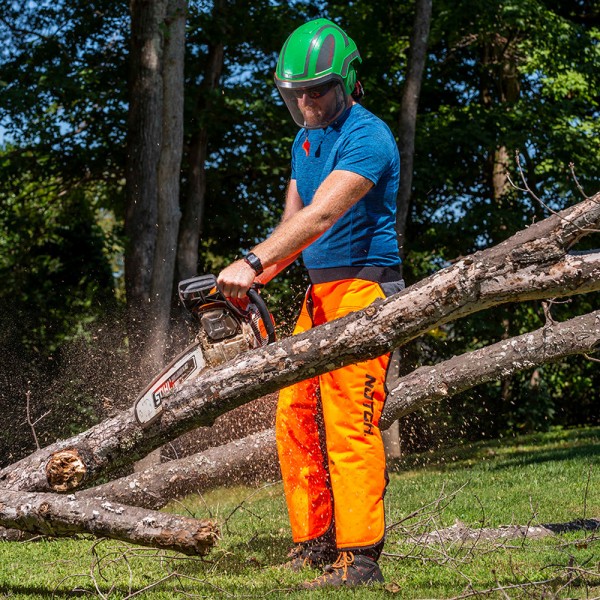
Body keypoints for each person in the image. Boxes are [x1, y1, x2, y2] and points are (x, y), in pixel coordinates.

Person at [217, 17, 403, 588]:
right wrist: (251, 283)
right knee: (294, 412)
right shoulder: (305, 141)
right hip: (319, 292)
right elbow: (294, 227)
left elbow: (324, 214)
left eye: (317, 89)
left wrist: (248, 265)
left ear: (346, 81)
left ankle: (361, 558)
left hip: (367, 290)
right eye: (295, 92)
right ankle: (314, 542)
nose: (306, 100)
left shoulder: (367, 137)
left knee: (348, 421)